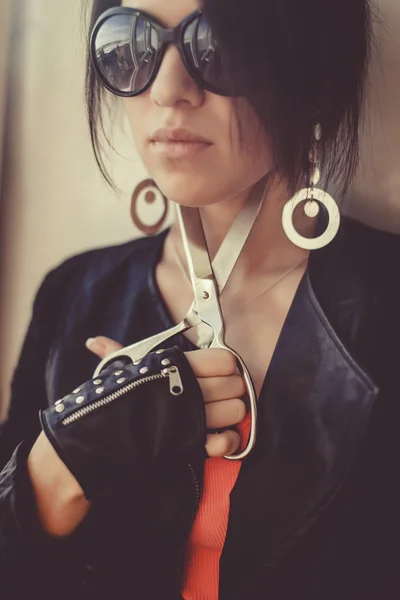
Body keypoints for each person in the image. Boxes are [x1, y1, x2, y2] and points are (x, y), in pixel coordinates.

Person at [0, 0, 399, 598]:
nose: (167, 90)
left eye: (220, 43)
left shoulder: (387, 303)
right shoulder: (71, 296)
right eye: (131, 43)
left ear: (314, 73)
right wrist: (60, 468)